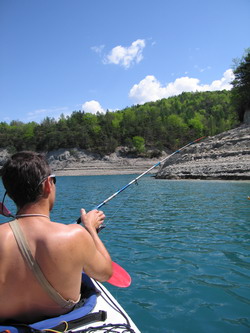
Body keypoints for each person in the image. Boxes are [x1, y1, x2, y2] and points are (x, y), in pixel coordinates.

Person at [0, 151, 113, 323]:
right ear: (47, 185)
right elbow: (105, 273)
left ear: (10, 193)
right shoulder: (75, 235)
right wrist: (90, 229)